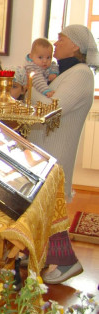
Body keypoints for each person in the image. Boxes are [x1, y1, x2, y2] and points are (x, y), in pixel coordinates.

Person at [28, 24, 98, 285]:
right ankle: (39, 254)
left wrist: (30, 83)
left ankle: (66, 260)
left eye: (61, 38)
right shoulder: (64, 71)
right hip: (46, 146)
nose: (55, 43)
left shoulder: (81, 74)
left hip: (56, 149)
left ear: (76, 45)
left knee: (52, 206)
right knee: (41, 206)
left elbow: (52, 108)